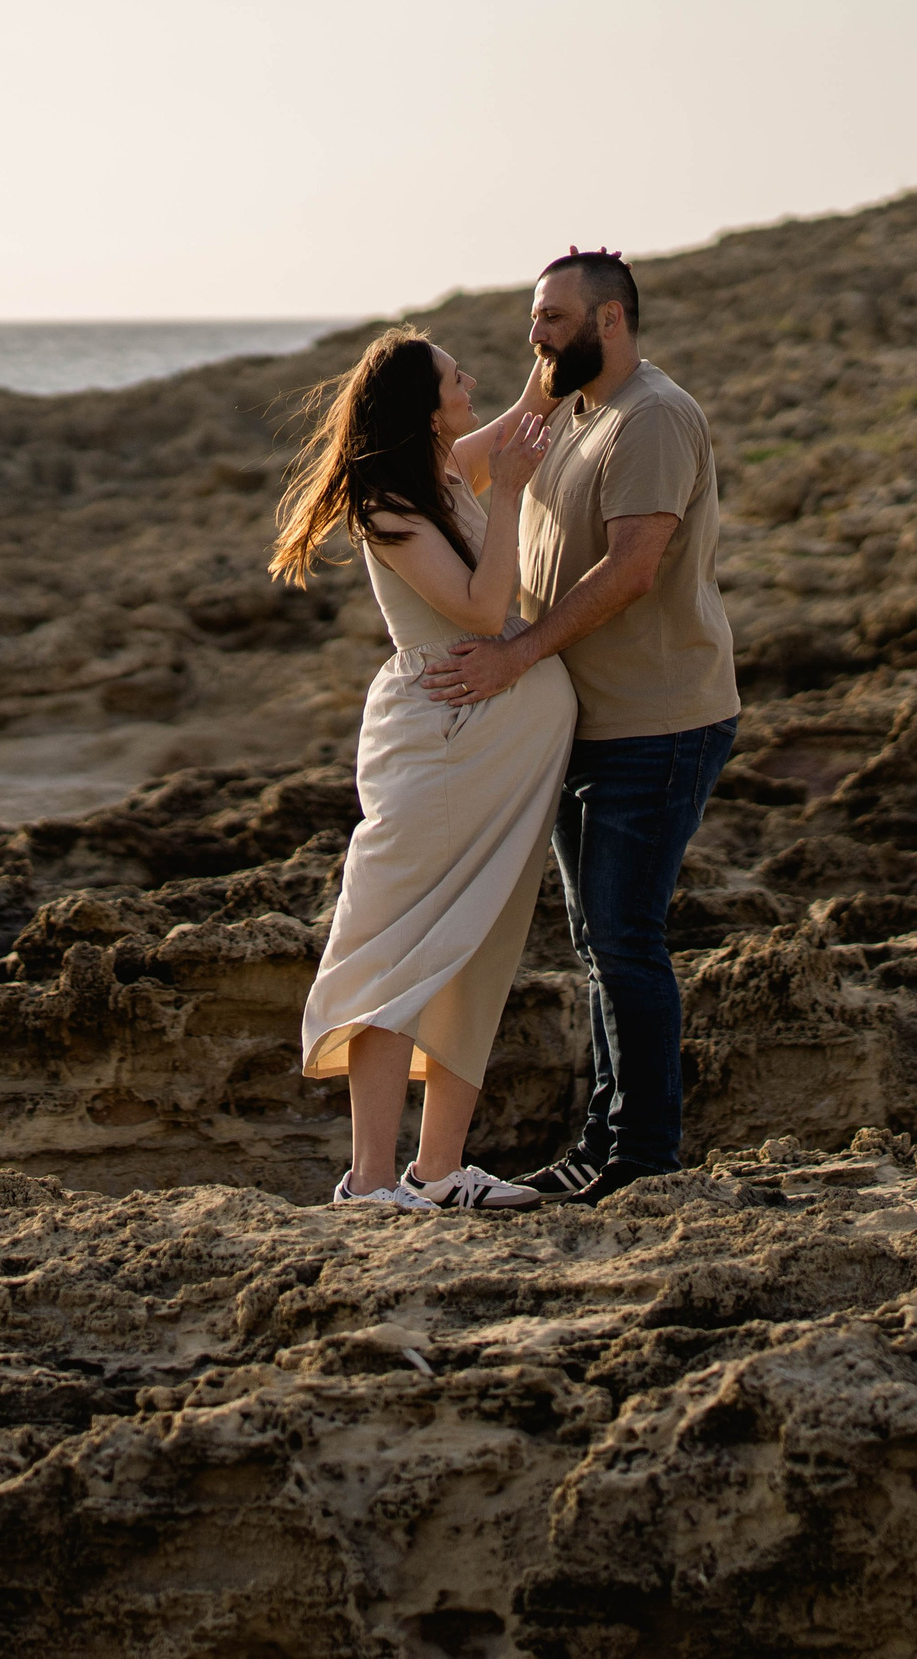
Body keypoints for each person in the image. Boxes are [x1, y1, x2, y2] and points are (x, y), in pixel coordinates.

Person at [422, 248, 740, 1205]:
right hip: (591, 726)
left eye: (553, 317)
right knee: (598, 941)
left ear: (611, 321)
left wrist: (516, 658)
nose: (536, 332)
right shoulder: (570, 412)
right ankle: (603, 1148)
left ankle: (640, 1157)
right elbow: (453, 474)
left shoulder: (651, 417)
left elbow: (635, 568)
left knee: (624, 938)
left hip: (660, 721)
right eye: (532, 317)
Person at [271, 326, 570, 1211]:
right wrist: (512, 491)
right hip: (440, 750)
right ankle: (367, 1180)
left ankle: (438, 1171)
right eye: (451, 376)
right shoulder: (389, 503)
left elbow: (526, 412)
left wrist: (557, 348)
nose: (467, 381)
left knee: (478, 947)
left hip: (501, 763)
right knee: (394, 944)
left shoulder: (442, 472)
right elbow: (483, 610)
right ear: (421, 404)